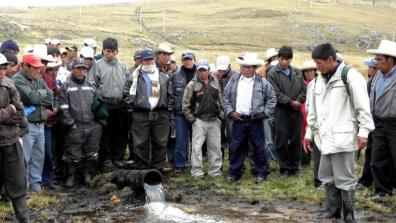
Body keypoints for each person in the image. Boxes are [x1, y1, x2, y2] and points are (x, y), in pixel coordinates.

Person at [304, 43, 374, 222]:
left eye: (319, 63)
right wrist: (309, 134)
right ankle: (332, 209)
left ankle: (349, 214)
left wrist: (364, 132)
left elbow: (363, 107)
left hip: (344, 137)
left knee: (346, 178)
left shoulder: (350, 77)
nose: (316, 67)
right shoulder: (317, 81)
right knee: (327, 176)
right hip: (323, 139)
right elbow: (312, 111)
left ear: (330, 59)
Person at [224, 52, 277, 184]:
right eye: (245, 67)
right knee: (236, 146)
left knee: (259, 147)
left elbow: (272, 98)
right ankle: (235, 172)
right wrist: (231, 112)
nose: (248, 69)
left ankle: (261, 172)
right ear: (242, 67)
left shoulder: (262, 82)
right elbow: (225, 97)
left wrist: (264, 113)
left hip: (256, 119)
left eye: (251, 67)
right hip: (239, 119)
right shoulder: (234, 80)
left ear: (255, 68)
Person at [124, 48, 174, 172]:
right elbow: (126, 94)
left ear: (154, 60)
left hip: (160, 114)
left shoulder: (164, 77)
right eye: (146, 60)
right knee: (141, 143)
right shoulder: (134, 77)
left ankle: (158, 167)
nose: (149, 62)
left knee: (161, 142)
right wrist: (132, 111)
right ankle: (142, 168)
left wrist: (167, 111)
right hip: (140, 114)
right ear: (141, 61)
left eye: (150, 59)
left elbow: (170, 95)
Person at [13, 53, 54, 193]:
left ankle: (35, 187)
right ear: (25, 66)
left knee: (38, 156)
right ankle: (24, 190)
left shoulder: (38, 79)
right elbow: (30, 97)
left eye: (39, 67)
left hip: (40, 124)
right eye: (35, 67)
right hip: (27, 125)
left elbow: (50, 98)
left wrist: (37, 96)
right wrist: (37, 96)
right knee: (24, 158)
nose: (38, 70)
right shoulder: (17, 79)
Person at [59, 58, 103, 187]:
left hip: (92, 125)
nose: (81, 71)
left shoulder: (91, 86)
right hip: (75, 125)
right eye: (78, 68)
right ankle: (70, 176)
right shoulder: (66, 86)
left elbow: (99, 105)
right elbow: (63, 106)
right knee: (72, 152)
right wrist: (70, 123)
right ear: (72, 69)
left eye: (83, 68)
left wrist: (99, 122)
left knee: (91, 152)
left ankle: (87, 174)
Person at [267, 45, 306, 178]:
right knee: (281, 140)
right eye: (282, 59)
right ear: (278, 58)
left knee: (296, 139)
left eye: (288, 59)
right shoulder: (272, 73)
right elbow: (275, 92)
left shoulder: (297, 72)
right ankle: (284, 168)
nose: (285, 62)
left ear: (291, 59)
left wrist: (299, 101)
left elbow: (304, 89)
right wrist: (290, 102)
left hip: (296, 111)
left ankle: (295, 167)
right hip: (282, 111)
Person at [0, 53, 30, 222]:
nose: (2, 71)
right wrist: (9, 111)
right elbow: (14, 111)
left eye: (4, 68)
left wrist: (8, 115)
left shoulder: (9, 85)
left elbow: (20, 113)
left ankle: (24, 220)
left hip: (11, 143)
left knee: (18, 187)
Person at [182, 59, 223, 178]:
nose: (202, 72)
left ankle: (215, 172)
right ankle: (197, 172)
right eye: (200, 70)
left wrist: (222, 115)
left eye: (205, 70)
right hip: (199, 121)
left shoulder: (215, 82)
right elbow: (185, 104)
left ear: (209, 71)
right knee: (196, 148)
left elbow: (220, 99)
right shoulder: (192, 85)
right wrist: (192, 119)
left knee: (215, 148)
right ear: (197, 71)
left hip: (214, 120)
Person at [367, 40, 396, 200]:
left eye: (379, 60)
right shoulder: (377, 75)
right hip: (378, 122)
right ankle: (382, 191)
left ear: (390, 60)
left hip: (394, 124)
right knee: (377, 159)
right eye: (376, 59)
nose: (376, 62)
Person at [94, 38, 129, 170]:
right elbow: (94, 84)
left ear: (117, 52)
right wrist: (100, 99)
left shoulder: (122, 66)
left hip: (120, 104)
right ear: (103, 51)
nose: (110, 54)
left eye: (113, 52)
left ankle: (117, 158)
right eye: (108, 51)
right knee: (104, 134)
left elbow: (127, 83)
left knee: (119, 133)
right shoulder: (97, 65)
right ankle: (106, 160)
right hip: (104, 105)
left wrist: (125, 98)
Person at [171, 50, 196, 173]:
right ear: (182, 61)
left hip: (196, 114)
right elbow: (171, 96)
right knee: (180, 141)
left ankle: (196, 164)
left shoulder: (201, 73)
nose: (187, 61)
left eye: (190, 59)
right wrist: (172, 115)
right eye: (185, 59)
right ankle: (179, 164)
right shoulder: (175, 75)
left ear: (194, 60)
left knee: (197, 141)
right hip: (180, 113)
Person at [357, 58, 378, 189]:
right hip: (372, 122)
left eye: (370, 67)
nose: (368, 69)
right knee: (370, 152)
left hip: (380, 122)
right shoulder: (369, 83)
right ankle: (366, 180)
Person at [300, 60, 321, 187]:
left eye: (311, 70)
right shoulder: (303, 84)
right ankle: (305, 161)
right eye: (306, 71)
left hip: (315, 115)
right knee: (304, 137)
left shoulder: (318, 83)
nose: (309, 73)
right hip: (303, 114)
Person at [41, 59, 61, 189]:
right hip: (32, 123)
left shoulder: (48, 79)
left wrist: (55, 108)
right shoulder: (20, 79)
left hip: (47, 123)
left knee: (48, 153)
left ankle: (47, 181)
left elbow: (56, 96)